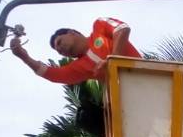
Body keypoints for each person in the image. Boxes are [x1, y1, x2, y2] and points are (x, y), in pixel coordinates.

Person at [9, 16, 140, 86]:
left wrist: (113, 60)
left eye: (59, 42)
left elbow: (122, 29)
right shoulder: (79, 67)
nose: (60, 50)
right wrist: (24, 57)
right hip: (125, 97)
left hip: (146, 75)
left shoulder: (98, 26)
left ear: (71, 33)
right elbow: (54, 74)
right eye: (58, 52)